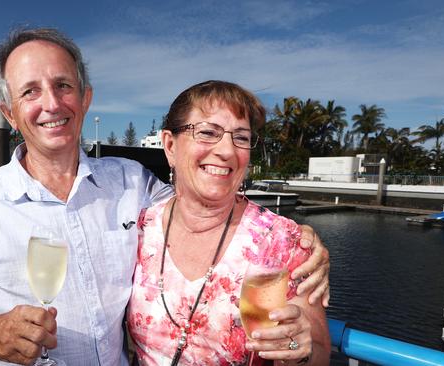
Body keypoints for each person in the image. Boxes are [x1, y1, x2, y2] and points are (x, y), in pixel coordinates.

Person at [0, 28, 330, 366]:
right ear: (11, 113)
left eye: (63, 86)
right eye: (30, 91)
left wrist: (301, 238)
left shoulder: (131, 184)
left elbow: (201, 201)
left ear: (85, 99)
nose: (51, 103)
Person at [127, 80, 330, 365]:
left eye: (241, 138)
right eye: (208, 133)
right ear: (170, 145)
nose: (227, 151)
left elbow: (317, 350)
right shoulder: (140, 228)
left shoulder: (281, 241)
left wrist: (299, 350)